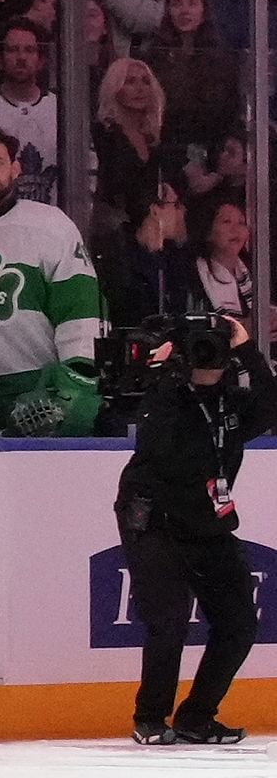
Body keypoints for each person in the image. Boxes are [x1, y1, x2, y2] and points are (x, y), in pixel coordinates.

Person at [112, 306, 258, 746]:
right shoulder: (168, 396)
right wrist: (163, 373)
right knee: (169, 619)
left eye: (214, 350)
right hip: (152, 516)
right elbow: (157, 448)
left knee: (238, 621)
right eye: (200, 351)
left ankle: (197, 716)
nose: (207, 357)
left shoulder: (232, 401)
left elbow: (271, 406)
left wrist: (247, 349)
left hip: (206, 518)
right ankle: (150, 718)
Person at [0, 127, 107, 432]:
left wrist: (77, 374)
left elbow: (78, 307)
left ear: (15, 168)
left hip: (31, 384)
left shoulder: (52, 225)